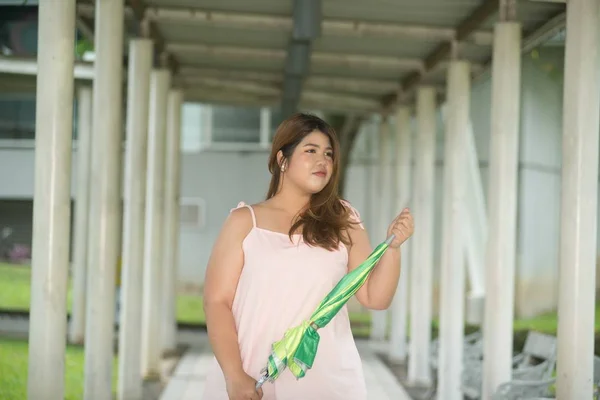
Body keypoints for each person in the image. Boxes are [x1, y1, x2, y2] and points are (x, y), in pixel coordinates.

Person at [201, 113, 414, 400]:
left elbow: (375, 297)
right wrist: (234, 374)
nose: (322, 161)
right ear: (282, 160)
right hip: (252, 376)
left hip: (325, 380)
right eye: (310, 151)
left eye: (328, 154)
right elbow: (217, 301)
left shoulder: (344, 220)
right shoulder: (244, 221)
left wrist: (393, 248)